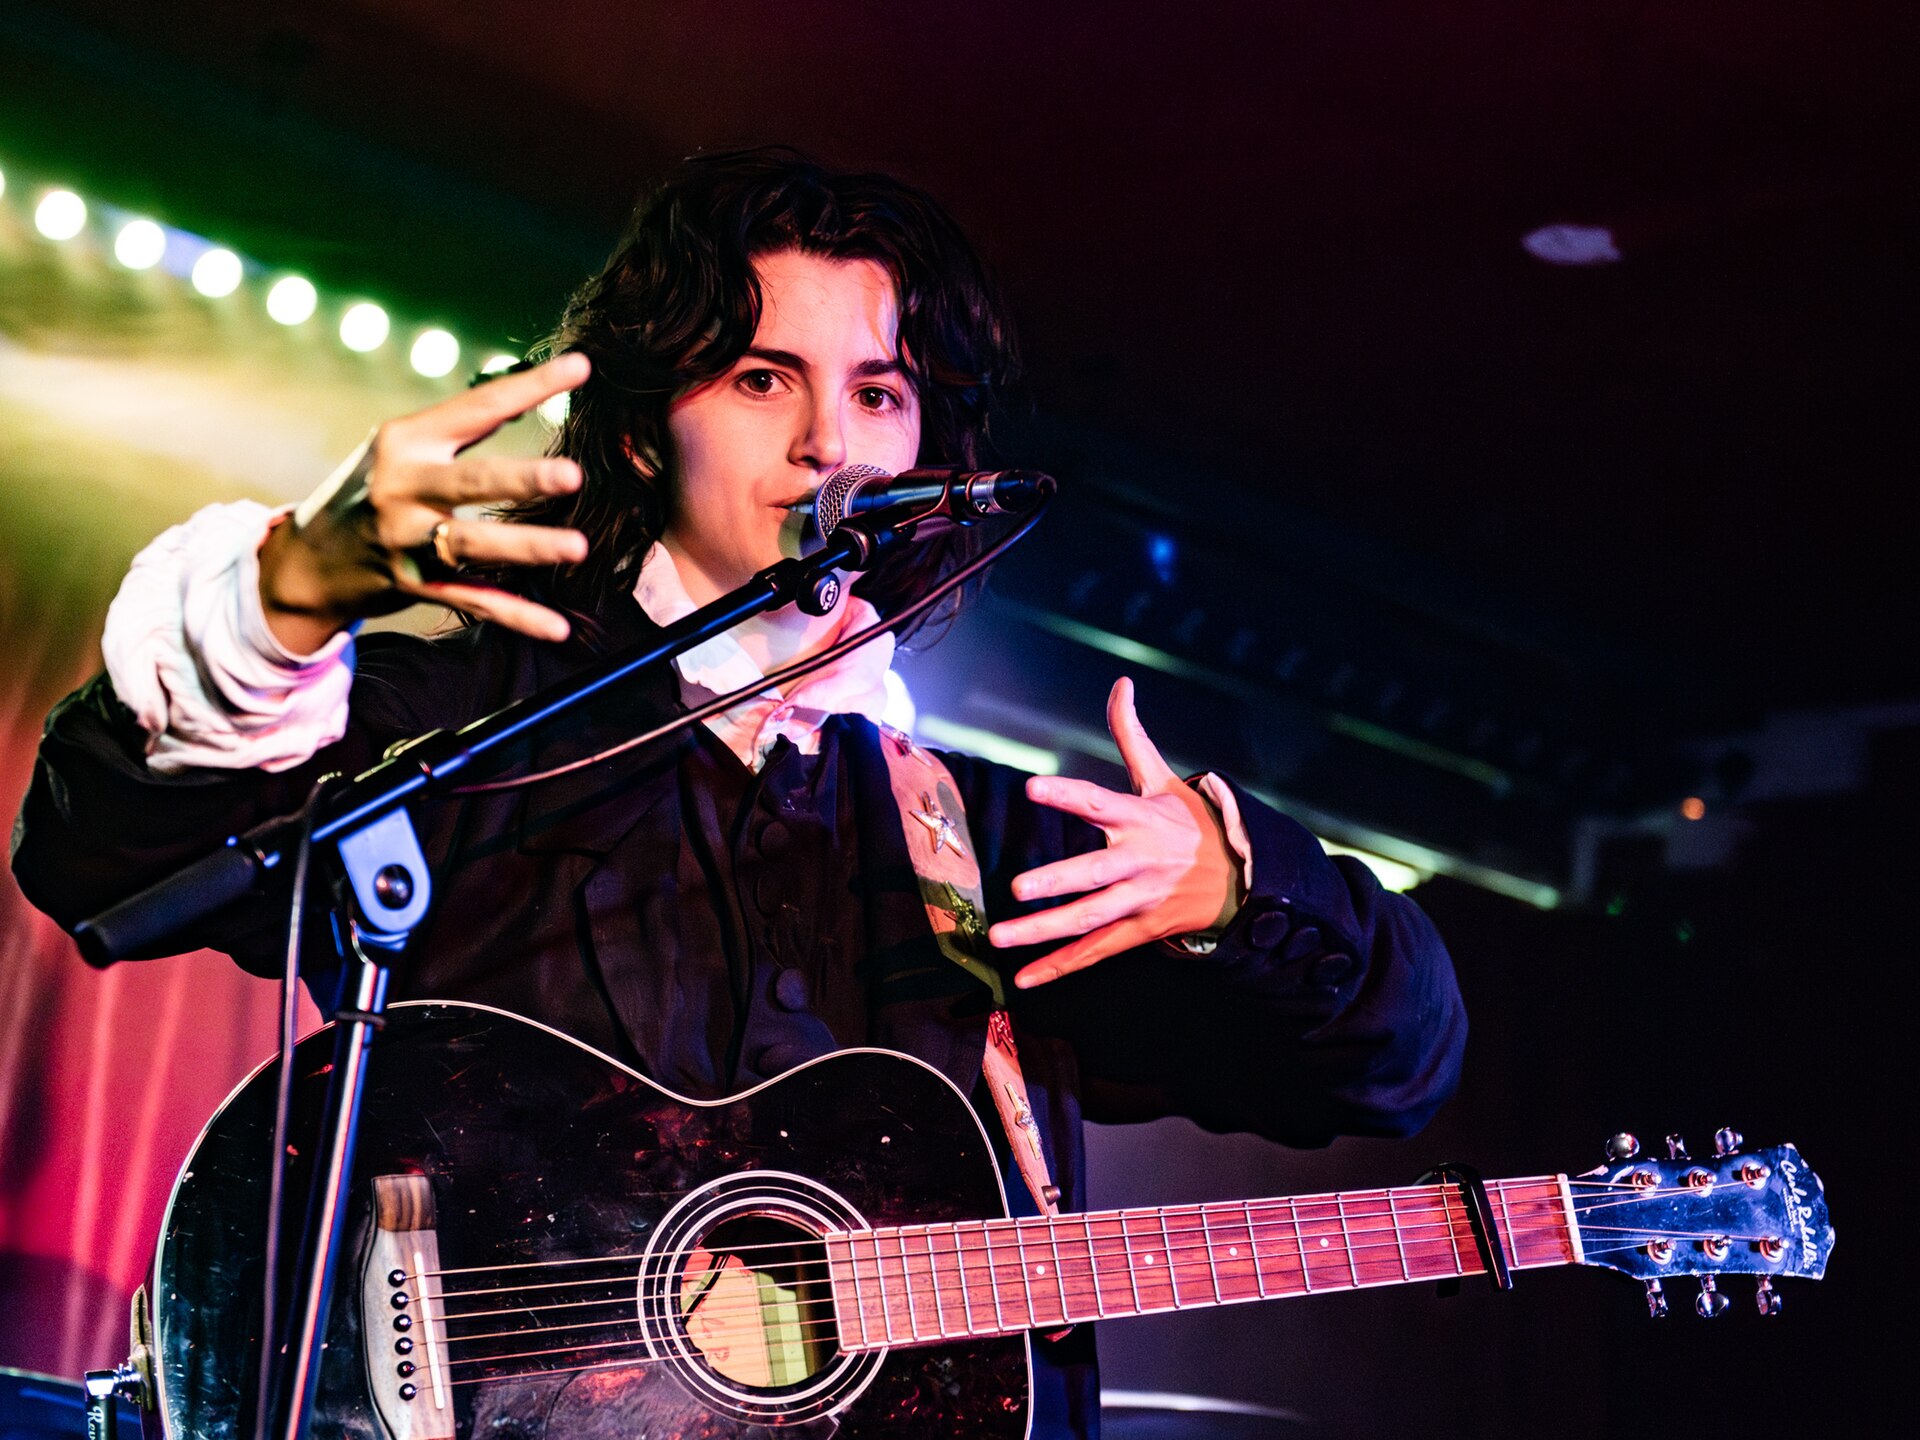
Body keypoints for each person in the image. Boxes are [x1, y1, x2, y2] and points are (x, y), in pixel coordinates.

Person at [11, 149, 1466, 1438]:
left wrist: (1240, 892)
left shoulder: (978, 837)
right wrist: (280, 602)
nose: (830, 445)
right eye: (765, 379)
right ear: (647, 429)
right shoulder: (482, 720)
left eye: (878, 394)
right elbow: (97, 854)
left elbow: (1398, 1069)